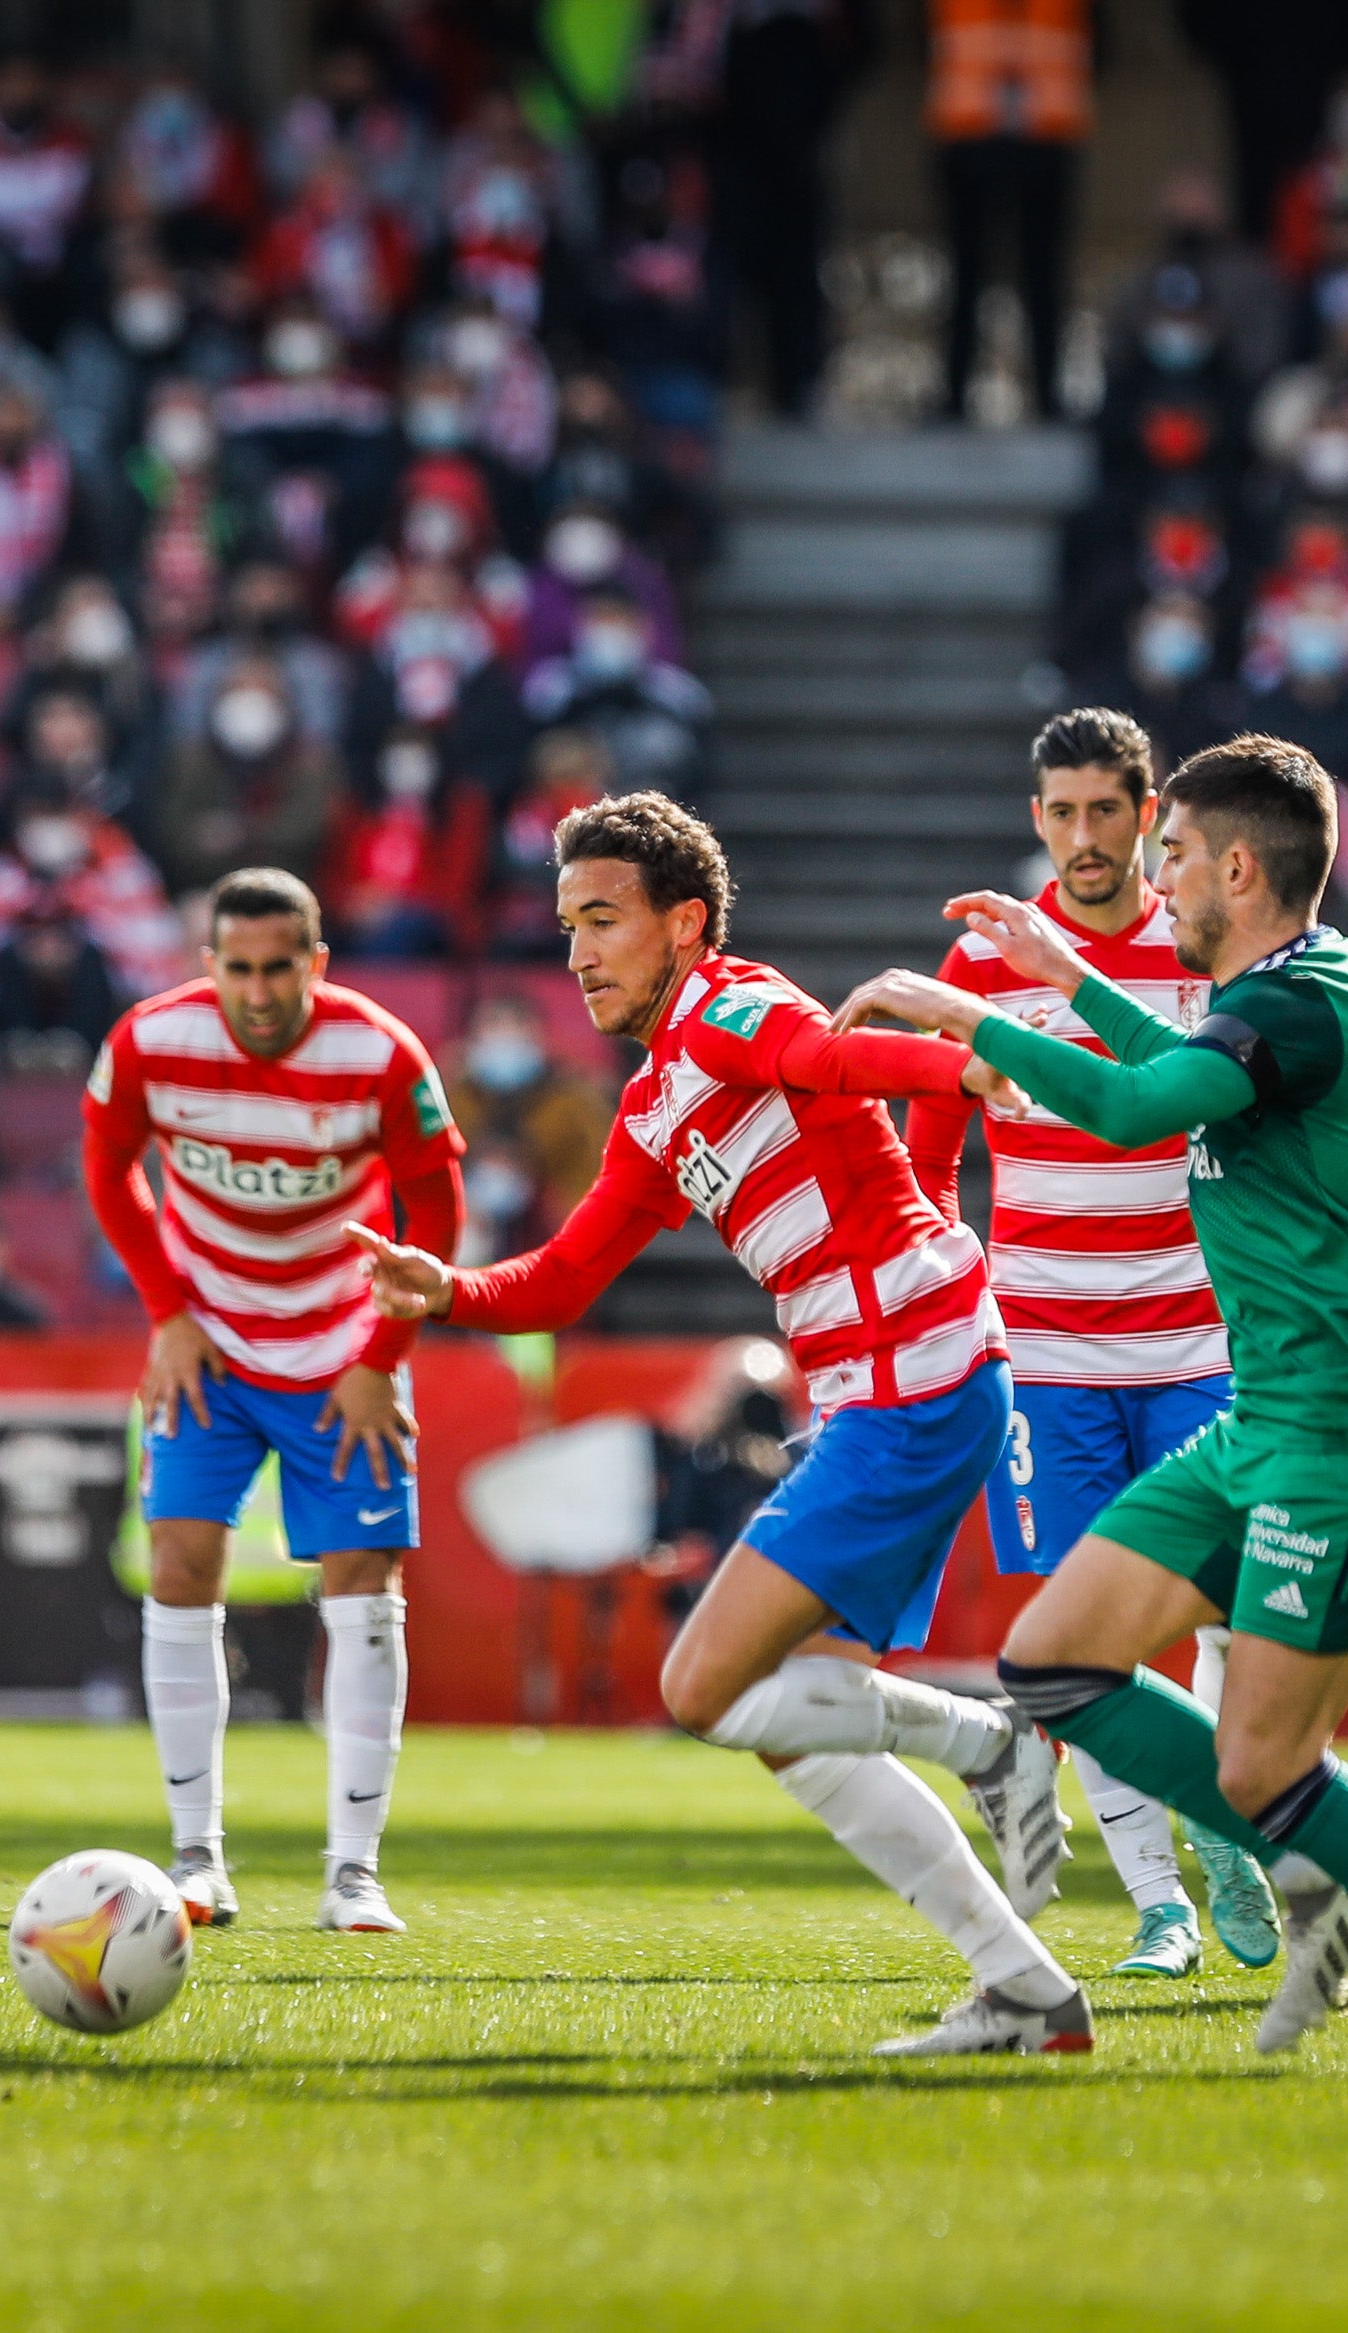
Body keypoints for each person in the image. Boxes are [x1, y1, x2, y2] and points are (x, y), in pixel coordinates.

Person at [842, 739, 1348, 2082]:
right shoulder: (1271, 999)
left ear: (1237, 867)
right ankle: (1314, 1860)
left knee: (1263, 1768)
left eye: (1176, 852)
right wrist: (1064, 974)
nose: (1157, 874)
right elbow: (1174, 1064)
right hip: (1266, 1418)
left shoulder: (1302, 1000)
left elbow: (1142, 1107)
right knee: (1056, 1656)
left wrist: (971, 1019)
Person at [349, 795, 1086, 2059]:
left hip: (916, 1372)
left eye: (603, 919)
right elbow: (568, 1277)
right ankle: (1024, 1985)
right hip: (887, 1384)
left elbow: (831, 1057)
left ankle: (995, 1742)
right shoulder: (650, 1100)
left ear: (683, 924)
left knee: (705, 1685)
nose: (577, 951)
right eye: (566, 922)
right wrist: (449, 1289)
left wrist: (959, 1062)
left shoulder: (731, 1006)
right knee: (787, 1716)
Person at [897, 710, 1276, 1982]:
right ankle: (1158, 1899)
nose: (1080, 837)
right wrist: (938, 1247)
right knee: (1079, 1636)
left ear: (1144, 808)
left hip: (1191, 1340)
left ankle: (1224, 1820)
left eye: (1102, 811)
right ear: (1035, 820)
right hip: (1046, 1353)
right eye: (1056, 814)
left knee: (1226, 1603)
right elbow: (926, 1115)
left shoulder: (1195, 941)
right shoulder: (985, 951)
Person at [82, 872, 468, 1936]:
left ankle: (353, 1871)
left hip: (343, 1347)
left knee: (362, 1584)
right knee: (178, 1562)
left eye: (278, 966)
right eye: (238, 968)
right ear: (209, 966)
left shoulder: (381, 1052)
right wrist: (166, 1307)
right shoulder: (149, 1040)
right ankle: (196, 1857)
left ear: (316, 962)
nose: (258, 990)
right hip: (205, 1342)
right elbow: (108, 1165)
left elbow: (434, 1199)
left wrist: (381, 1348)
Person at [927, 0, 1098, 422]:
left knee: (1042, 274)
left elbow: (1095, 46)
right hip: (971, 134)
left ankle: (1047, 395)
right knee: (967, 273)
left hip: (1044, 136)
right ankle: (953, 396)